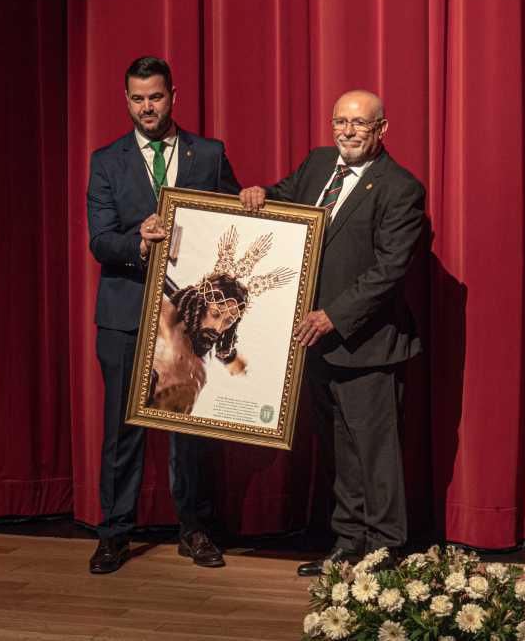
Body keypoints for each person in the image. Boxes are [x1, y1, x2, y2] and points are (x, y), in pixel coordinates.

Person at [239, 89, 426, 576]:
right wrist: (257, 193)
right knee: (340, 451)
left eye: (359, 124)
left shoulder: (400, 188)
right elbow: (280, 200)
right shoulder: (319, 163)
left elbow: (388, 271)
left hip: (366, 344)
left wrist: (333, 317)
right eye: (340, 121)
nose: (347, 131)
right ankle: (348, 544)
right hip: (315, 343)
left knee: (374, 455)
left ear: (382, 130)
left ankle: (385, 552)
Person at [86, 56, 240, 574]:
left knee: (187, 431)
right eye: (137, 98)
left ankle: (193, 530)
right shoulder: (106, 161)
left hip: (185, 322)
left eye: (155, 96)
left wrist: (253, 199)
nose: (146, 107)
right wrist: (138, 242)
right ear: (125, 100)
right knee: (121, 431)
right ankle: (114, 534)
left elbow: (233, 224)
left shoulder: (209, 154)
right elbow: (100, 239)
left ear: (173, 95)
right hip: (125, 316)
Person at [147, 227, 295, 414]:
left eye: (228, 322)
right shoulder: (163, 319)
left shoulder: (199, 371)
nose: (218, 329)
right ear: (200, 304)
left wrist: (230, 358)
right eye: (215, 314)